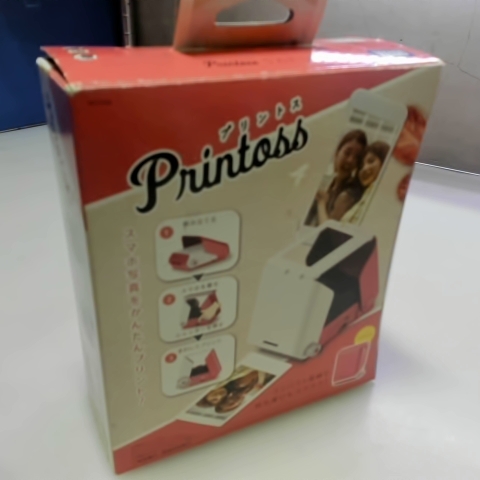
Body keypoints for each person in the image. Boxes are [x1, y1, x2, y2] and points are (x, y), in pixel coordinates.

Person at [305, 130, 367, 226]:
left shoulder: (349, 194)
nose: (350, 160)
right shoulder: (331, 183)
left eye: (357, 157)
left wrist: (322, 203)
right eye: (347, 153)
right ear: (337, 152)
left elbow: (329, 230)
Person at [342, 141, 390, 224]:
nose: (364, 168)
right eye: (362, 166)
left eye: (371, 161)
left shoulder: (384, 199)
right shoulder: (366, 195)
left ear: (385, 162)